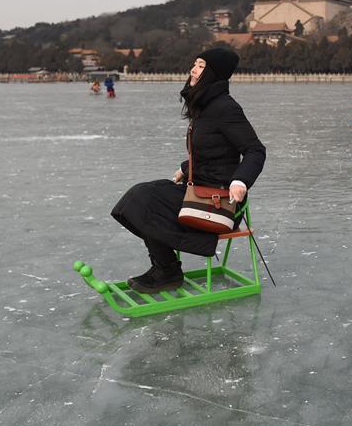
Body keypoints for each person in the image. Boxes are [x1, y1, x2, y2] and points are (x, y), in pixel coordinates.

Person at [111, 47, 266, 293]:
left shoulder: (226, 108)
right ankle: (165, 267)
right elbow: (212, 151)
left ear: (213, 74)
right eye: (194, 64)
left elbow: (255, 150)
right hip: (198, 189)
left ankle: (167, 270)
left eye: (201, 66)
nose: (193, 70)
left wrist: (240, 181)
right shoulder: (205, 106)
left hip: (219, 201)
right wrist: (185, 169)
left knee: (145, 199)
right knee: (141, 197)